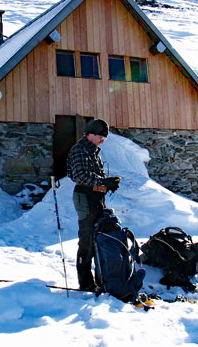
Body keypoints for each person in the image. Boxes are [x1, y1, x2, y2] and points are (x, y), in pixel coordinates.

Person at [66, 119, 121, 292]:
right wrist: (104, 181)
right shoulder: (79, 150)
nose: (103, 140)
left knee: (98, 238)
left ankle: (101, 278)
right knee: (87, 240)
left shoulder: (93, 151)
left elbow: (94, 175)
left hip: (95, 197)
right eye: (101, 136)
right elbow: (81, 175)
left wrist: (108, 183)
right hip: (84, 197)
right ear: (91, 134)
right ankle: (86, 283)